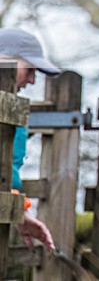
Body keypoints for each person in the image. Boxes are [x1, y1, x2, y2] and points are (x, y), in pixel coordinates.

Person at [0, 28, 57, 252]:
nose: (32, 80)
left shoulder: (14, 112)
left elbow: (6, 174)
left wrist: (19, 211)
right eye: (29, 70)